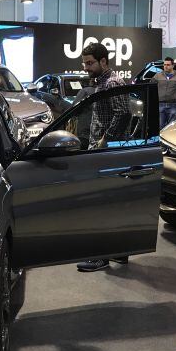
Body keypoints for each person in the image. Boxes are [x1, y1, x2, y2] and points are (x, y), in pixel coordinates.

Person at [76, 43, 131, 273]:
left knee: (101, 204)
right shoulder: (99, 82)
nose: (86, 67)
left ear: (104, 61)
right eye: (85, 63)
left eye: (90, 63)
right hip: (100, 149)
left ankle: (100, 256)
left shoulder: (113, 83)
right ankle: (118, 251)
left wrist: (105, 139)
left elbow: (124, 113)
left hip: (108, 153)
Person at [152, 57, 176, 129]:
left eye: (168, 65)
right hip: (160, 104)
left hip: (174, 105)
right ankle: (161, 140)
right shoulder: (157, 76)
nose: (165, 66)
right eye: (164, 65)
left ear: (173, 66)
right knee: (160, 126)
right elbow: (151, 88)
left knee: (171, 127)